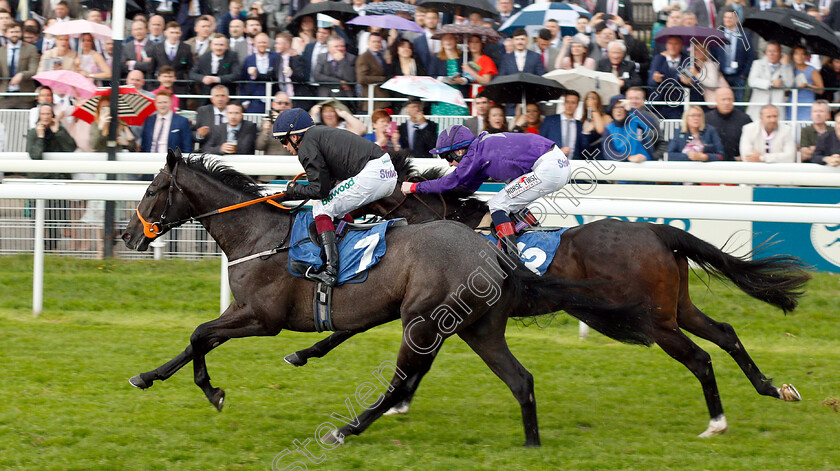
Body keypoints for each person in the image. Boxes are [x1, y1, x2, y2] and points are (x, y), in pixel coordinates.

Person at [271, 108, 399, 287]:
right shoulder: (317, 136)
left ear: (294, 137)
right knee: (332, 205)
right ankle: (346, 248)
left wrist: (294, 189)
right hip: (382, 170)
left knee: (321, 208)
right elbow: (326, 186)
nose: (284, 146)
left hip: (373, 173)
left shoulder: (306, 145)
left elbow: (319, 190)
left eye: (283, 140)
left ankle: (331, 270)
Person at [400, 125, 571, 257]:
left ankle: (510, 255)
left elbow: (451, 181)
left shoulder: (474, 154)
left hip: (549, 167)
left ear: (459, 151)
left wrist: (415, 187)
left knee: (498, 204)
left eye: (448, 157)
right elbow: (467, 187)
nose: (449, 163)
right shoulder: (480, 150)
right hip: (553, 163)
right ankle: (529, 232)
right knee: (510, 197)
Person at [747, 42, 793, 121]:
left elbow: (789, 84)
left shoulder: (786, 66)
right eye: (769, 51)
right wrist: (770, 83)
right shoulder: (757, 63)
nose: (771, 54)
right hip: (759, 107)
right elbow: (752, 81)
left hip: (777, 108)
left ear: (780, 53)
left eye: (774, 51)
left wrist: (785, 66)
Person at [704, 87, 751, 161]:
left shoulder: (744, 119)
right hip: (713, 162)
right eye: (723, 99)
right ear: (716, 100)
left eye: (729, 99)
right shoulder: (706, 119)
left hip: (739, 163)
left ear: (733, 100)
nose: (727, 103)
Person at [427, 33, 468, 117]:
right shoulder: (436, 58)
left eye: (451, 38)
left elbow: (470, 75)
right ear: (442, 42)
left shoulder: (464, 56)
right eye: (445, 39)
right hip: (442, 98)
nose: (448, 41)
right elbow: (431, 76)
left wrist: (462, 80)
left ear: (455, 41)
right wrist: (443, 79)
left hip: (459, 99)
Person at [0, 21, 39, 109]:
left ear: (21, 33)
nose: (14, 34)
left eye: (17, 32)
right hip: (4, 95)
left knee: (23, 121)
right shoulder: (1, 51)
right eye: (12, 32)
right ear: (6, 34)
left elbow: (34, 70)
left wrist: (21, 75)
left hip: (24, 95)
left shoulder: (31, 49)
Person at [600, 95, 650, 162]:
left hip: (644, 163)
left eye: (621, 107)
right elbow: (608, 153)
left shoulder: (635, 120)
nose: (618, 110)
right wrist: (629, 158)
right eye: (615, 107)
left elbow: (651, 125)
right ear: (611, 111)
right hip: (622, 166)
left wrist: (632, 109)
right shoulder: (608, 129)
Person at [189, 33, 239, 98]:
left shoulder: (232, 56)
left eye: (221, 45)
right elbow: (192, 74)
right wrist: (203, 78)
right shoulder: (203, 58)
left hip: (227, 95)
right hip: (206, 95)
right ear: (211, 45)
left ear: (226, 46)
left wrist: (217, 79)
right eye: (216, 44)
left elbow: (236, 74)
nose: (218, 48)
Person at [541, 91, 586, 160]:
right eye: (567, 102)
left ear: (577, 105)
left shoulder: (580, 125)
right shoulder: (550, 120)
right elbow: (541, 143)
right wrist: (556, 153)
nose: (570, 105)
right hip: (553, 163)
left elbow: (584, 149)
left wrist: (587, 132)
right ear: (564, 103)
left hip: (575, 165)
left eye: (573, 103)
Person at [356, 32, 390, 113]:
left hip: (382, 99)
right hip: (372, 99)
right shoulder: (363, 57)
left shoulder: (381, 56)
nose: (376, 44)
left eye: (378, 42)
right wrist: (382, 79)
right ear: (368, 43)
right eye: (374, 41)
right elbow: (361, 79)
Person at [789, 45, 823, 122]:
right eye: (797, 54)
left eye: (802, 54)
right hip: (792, 104)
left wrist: (807, 85)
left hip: (807, 105)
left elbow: (821, 89)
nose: (800, 57)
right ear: (793, 56)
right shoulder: (791, 70)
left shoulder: (812, 71)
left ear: (806, 56)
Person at [194, 84, 230, 150]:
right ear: (212, 99)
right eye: (217, 96)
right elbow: (193, 134)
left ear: (228, 99)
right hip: (207, 152)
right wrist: (199, 135)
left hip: (229, 151)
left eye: (223, 96)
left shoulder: (233, 111)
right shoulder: (203, 111)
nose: (220, 99)